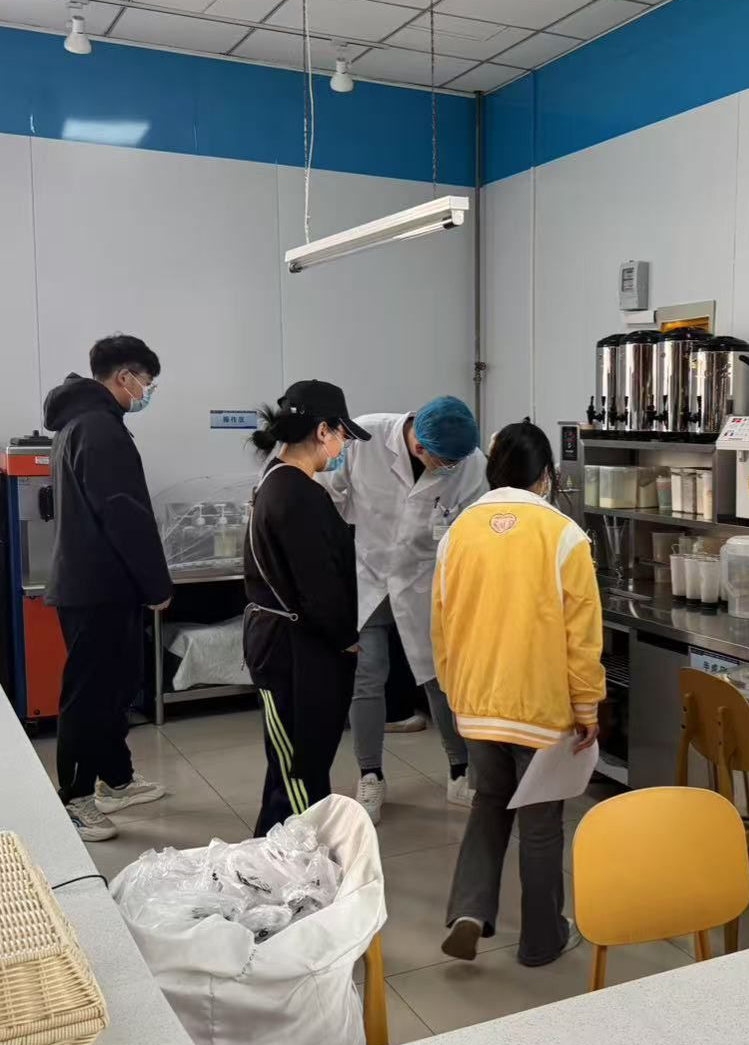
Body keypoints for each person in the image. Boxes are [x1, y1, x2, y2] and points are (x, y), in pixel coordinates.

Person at [433, 422, 604, 968]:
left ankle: (468, 910)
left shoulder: (459, 532)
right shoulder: (563, 535)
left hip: (476, 702)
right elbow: (582, 635)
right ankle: (542, 940)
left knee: (488, 804)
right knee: (540, 824)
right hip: (539, 707)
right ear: (545, 476)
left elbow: (441, 622)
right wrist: (587, 704)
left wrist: (455, 690)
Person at [321, 396, 487, 824]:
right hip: (369, 575)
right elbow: (331, 496)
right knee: (366, 677)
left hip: (424, 583)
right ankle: (370, 775)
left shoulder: (470, 463)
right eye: (444, 463)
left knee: (440, 678)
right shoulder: (364, 436)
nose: (451, 469)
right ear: (419, 447)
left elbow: (474, 529)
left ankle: (460, 771)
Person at [44, 335, 174, 842]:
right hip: (97, 586)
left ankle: (115, 779)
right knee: (90, 695)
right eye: (147, 383)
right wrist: (156, 583)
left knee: (116, 687)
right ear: (125, 377)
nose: (147, 393)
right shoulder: (99, 429)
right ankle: (75, 799)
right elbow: (125, 516)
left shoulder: (81, 423)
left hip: (100, 583)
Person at [242, 381, 369, 835]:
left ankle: (281, 859)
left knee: (296, 763)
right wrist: (347, 639)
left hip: (288, 644)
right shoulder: (298, 495)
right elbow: (319, 587)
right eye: (342, 435)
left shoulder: (278, 480)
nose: (343, 446)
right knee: (298, 773)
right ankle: (289, 858)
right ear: (322, 431)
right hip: (294, 655)